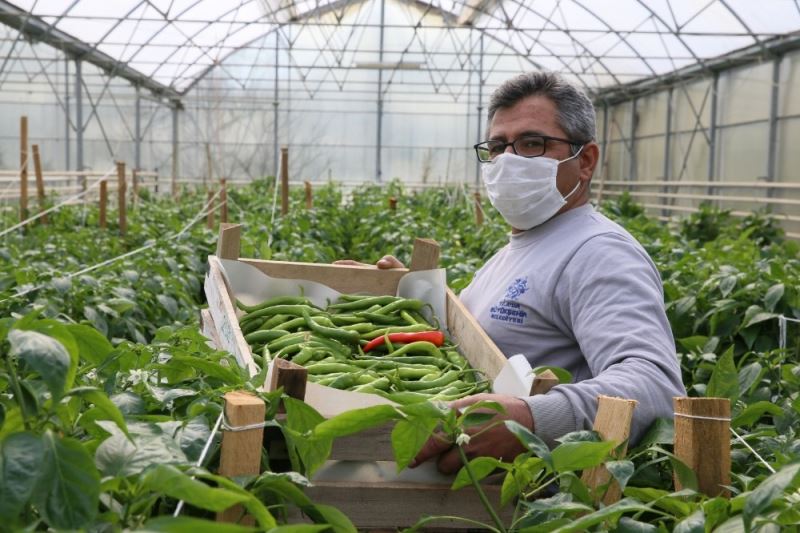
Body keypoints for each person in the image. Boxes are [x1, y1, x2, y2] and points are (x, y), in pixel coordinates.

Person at [337, 71, 686, 474]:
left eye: (532, 143)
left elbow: (658, 388)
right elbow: (468, 341)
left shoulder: (600, 252)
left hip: (527, 503)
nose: (508, 160)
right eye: (499, 146)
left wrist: (533, 419)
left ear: (585, 161)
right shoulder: (520, 248)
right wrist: (402, 295)